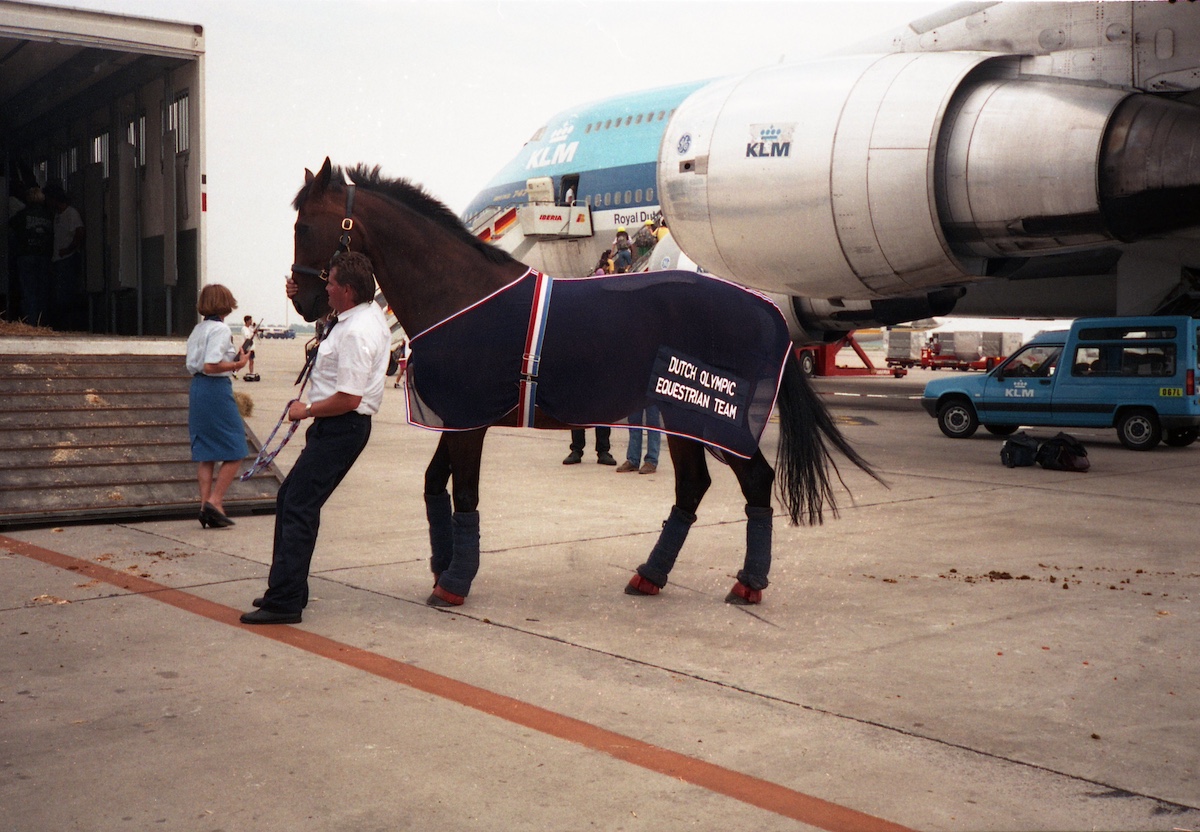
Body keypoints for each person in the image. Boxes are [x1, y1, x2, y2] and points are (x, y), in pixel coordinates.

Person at [241, 251, 390, 625]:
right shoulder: (362, 315)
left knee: (298, 505)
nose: (327, 287)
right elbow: (318, 316)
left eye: (332, 283)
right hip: (340, 426)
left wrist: (305, 410)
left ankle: (286, 601)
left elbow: (349, 398)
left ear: (348, 290)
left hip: (341, 426)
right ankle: (287, 588)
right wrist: (296, 295)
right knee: (292, 497)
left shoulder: (356, 331)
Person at [185, 284, 249, 530]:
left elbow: (200, 362)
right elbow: (212, 365)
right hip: (215, 389)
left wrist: (231, 358)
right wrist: (237, 365)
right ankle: (216, 501)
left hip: (197, 389)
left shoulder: (199, 329)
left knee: (206, 452)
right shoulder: (221, 329)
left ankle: (204, 507)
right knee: (236, 448)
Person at [7, 185, 54, 326]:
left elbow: (11, 228)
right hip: (45, 256)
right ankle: (42, 322)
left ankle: (31, 321)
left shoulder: (21, 215)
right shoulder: (49, 216)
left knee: (28, 290)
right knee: (43, 291)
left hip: (26, 256)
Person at [44, 183, 85, 331]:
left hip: (67, 259)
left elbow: (79, 232)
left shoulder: (71, 213)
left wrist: (68, 250)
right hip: (59, 259)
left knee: (65, 296)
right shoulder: (58, 215)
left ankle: (68, 326)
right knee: (59, 295)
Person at [616, 405, 660, 474]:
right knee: (634, 422)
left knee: (652, 422)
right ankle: (633, 460)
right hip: (636, 394)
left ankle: (652, 461)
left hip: (653, 395)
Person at [240, 315, 260, 381]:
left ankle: (251, 372)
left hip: (251, 347)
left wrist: (255, 331)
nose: (251, 321)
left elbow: (255, 335)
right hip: (247, 347)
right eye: (250, 320)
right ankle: (235, 371)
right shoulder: (244, 328)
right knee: (243, 361)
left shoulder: (250, 328)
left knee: (251, 361)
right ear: (247, 321)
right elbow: (247, 337)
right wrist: (253, 333)